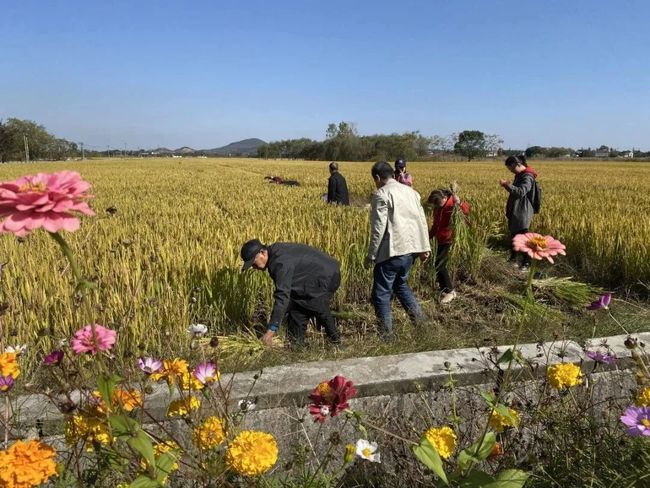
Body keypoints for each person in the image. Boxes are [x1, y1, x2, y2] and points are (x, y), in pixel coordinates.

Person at [366, 161, 431, 339]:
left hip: (392, 251)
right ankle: (422, 324)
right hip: (412, 250)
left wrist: (371, 255)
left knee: (381, 293)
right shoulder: (412, 192)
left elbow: (378, 228)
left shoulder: (382, 194)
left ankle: (386, 336)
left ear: (378, 178)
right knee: (400, 285)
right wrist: (425, 248)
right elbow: (422, 221)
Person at [240, 239, 342, 347]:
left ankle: (337, 343)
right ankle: (298, 346)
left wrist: (271, 331)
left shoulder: (279, 263)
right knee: (296, 308)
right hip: (313, 277)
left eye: (253, 262)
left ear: (262, 253)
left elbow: (282, 296)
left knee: (315, 304)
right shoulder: (274, 254)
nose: (253, 267)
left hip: (327, 275)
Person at [427, 189, 471, 304]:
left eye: (437, 203)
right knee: (437, 264)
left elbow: (466, 212)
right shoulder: (438, 208)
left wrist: (459, 202)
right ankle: (444, 288)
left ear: (444, 198)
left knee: (440, 264)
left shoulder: (453, 204)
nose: (436, 206)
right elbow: (436, 225)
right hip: (440, 239)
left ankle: (450, 292)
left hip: (449, 239)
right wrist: (429, 237)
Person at [500, 154, 539, 270]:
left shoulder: (527, 176)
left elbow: (521, 192)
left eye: (511, 168)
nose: (511, 171)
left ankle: (526, 263)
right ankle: (514, 259)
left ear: (518, 164)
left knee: (522, 237)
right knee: (514, 236)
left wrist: (507, 185)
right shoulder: (520, 175)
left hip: (523, 211)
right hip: (517, 210)